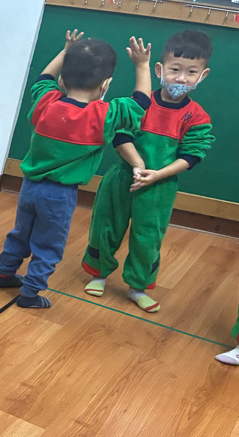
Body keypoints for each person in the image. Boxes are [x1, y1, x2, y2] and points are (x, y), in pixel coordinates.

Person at [0, 31, 152, 308]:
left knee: (21, 233)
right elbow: (141, 102)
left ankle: (5, 274)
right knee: (48, 245)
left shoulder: (46, 102)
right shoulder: (104, 115)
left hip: (29, 187)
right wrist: (142, 65)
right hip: (60, 195)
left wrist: (65, 51)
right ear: (106, 85)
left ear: (62, 80)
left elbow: (43, 78)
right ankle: (29, 295)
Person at [82, 29, 213, 313]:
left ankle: (137, 287)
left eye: (191, 72)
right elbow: (120, 134)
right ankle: (99, 275)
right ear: (159, 70)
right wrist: (138, 165)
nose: (181, 78)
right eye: (175, 69)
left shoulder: (197, 117)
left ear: (202, 76)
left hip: (159, 187)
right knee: (106, 226)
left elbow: (192, 155)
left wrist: (157, 175)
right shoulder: (141, 102)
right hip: (122, 177)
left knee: (148, 237)